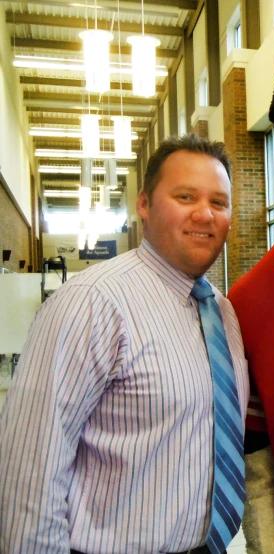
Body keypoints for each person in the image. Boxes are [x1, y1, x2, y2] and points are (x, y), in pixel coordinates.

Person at [0, 134, 249, 554]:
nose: (205, 214)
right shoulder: (92, 303)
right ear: (145, 205)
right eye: (186, 196)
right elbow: (29, 470)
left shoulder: (223, 313)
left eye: (219, 203)